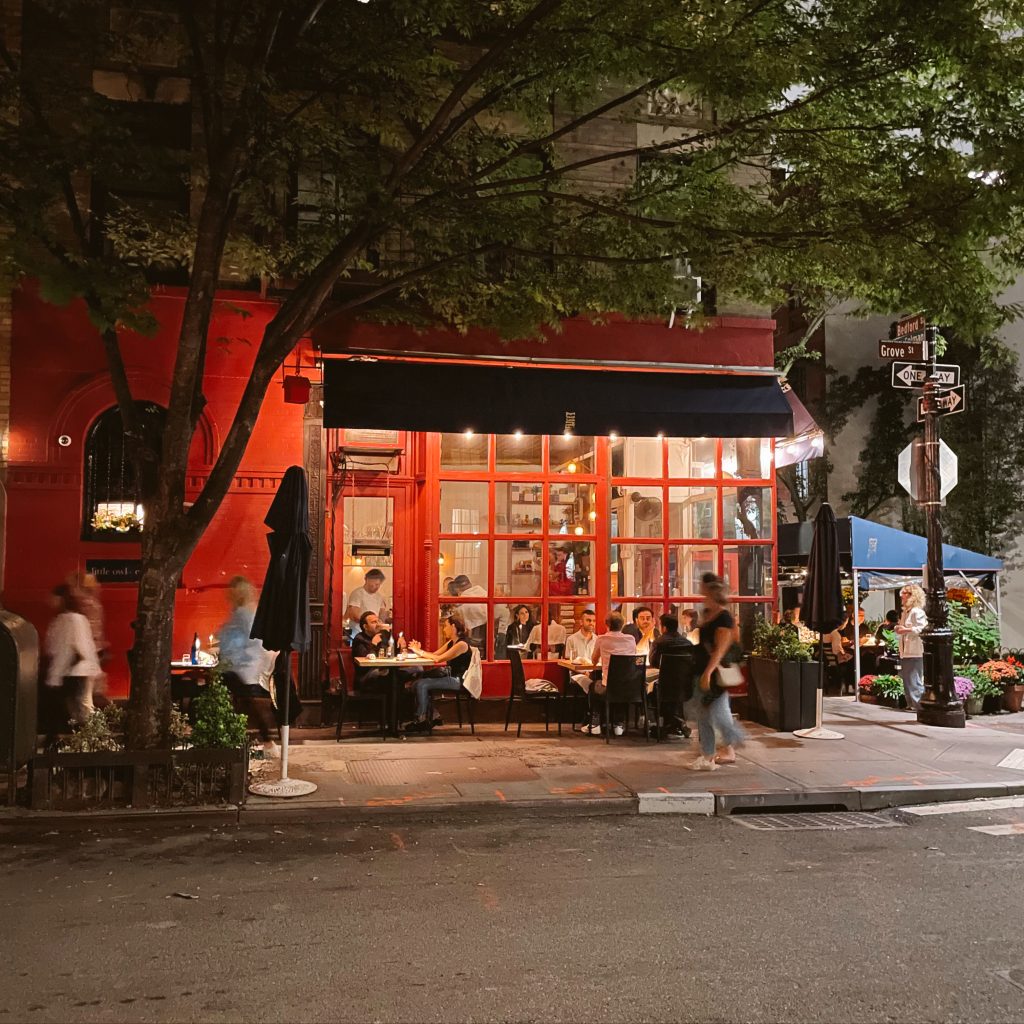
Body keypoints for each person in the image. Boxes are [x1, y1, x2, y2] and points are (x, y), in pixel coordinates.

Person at [687, 573, 746, 771]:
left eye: (703, 587)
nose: (700, 589)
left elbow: (720, 648)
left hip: (712, 674)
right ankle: (709, 755)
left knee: (717, 714)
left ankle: (734, 740)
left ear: (710, 591)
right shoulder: (707, 613)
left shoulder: (723, 616)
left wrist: (708, 672)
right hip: (702, 669)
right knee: (704, 714)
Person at [215, 576, 279, 756]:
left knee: (238, 702)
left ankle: (263, 742)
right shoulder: (244, 613)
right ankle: (265, 743)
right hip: (241, 667)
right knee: (246, 705)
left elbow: (253, 641)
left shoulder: (244, 614)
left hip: (241, 668)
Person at [404, 614, 473, 733]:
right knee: (416, 683)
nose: (443, 629)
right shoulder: (452, 642)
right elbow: (435, 654)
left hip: (459, 680)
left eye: (445, 626)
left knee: (422, 684)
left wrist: (419, 652)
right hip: (450, 676)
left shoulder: (461, 644)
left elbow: (438, 659)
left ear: (453, 626)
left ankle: (421, 720)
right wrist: (419, 650)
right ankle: (434, 716)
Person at [44, 583, 101, 728]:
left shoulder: (69, 620)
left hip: (73, 672)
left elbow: (70, 649)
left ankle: (88, 740)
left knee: (78, 710)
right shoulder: (74, 619)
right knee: (81, 709)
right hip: (76, 671)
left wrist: (55, 676)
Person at [582, 611, 637, 736]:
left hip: (608, 687)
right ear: (622, 625)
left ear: (607, 624)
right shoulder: (631, 639)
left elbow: (594, 661)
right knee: (619, 688)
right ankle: (618, 724)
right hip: (629, 687)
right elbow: (632, 658)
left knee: (593, 686)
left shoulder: (602, 639)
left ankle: (595, 724)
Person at [67, 571, 110, 709]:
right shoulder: (95, 604)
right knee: (88, 690)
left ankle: (90, 720)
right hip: (94, 650)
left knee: (85, 692)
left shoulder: (85, 604)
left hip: (86, 652)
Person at [649, 612, 694, 739]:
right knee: (674, 692)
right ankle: (677, 722)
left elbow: (653, 662)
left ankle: (670, 723)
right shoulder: (687, 643)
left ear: (663, 627)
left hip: (664, 684)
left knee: (650, 686)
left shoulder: (659, 643)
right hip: (684, 684)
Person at [896, 584, 928, 713]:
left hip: (914, 651)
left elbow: (922, 628)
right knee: (908, 679)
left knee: (914, 679)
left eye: (905, 593)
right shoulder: (906, 612)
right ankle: (911, 704)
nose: (902, 596)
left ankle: (919, 705)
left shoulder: (917, 611)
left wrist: (905, 629)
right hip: (906, 651)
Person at [345, 569, 390, 637]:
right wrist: (371, 624)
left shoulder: (379, 596)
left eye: (379, 584)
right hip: (358, 632)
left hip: (373, 632)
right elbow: (354, 615)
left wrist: (388, 617)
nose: (377, 587)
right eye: (375, 584)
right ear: (367, 580)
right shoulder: (357, 593)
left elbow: (381, 615)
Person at [564, 608, 598, 693]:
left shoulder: (598, 640)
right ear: (581, 622)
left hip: (594, 674)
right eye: (588, 620)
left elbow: (600, 661)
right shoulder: (571, 639)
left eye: (594, 621)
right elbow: (569, 663)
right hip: (577, 675)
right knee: (591, 684)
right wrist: (585, 672)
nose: (591, 623)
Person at [452, 575, 488, 651]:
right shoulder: (482, 592)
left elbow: (458, 618)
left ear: (457, 589)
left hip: (473, 631)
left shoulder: (461, 602)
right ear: (470, 584)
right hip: (489, 628)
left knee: (473, 652)